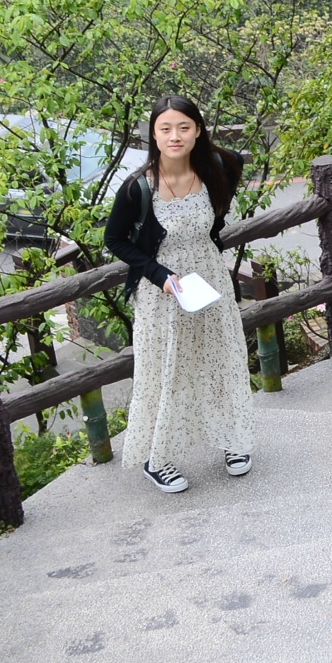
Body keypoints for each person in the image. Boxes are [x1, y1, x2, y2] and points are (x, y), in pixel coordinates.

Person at [104, 96, 254, 493]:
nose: (175, 136)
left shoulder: (218, 168)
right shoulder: (138, 188)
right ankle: (157, 458)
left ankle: (232, 437)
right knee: (164, 370)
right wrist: (161, 275)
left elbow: (218, 214)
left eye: (184, 127)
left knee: (221, 359)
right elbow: (115, 240)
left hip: (209, 280)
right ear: (153, 135)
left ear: (198, 131)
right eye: (165, 128)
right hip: (162, 293)